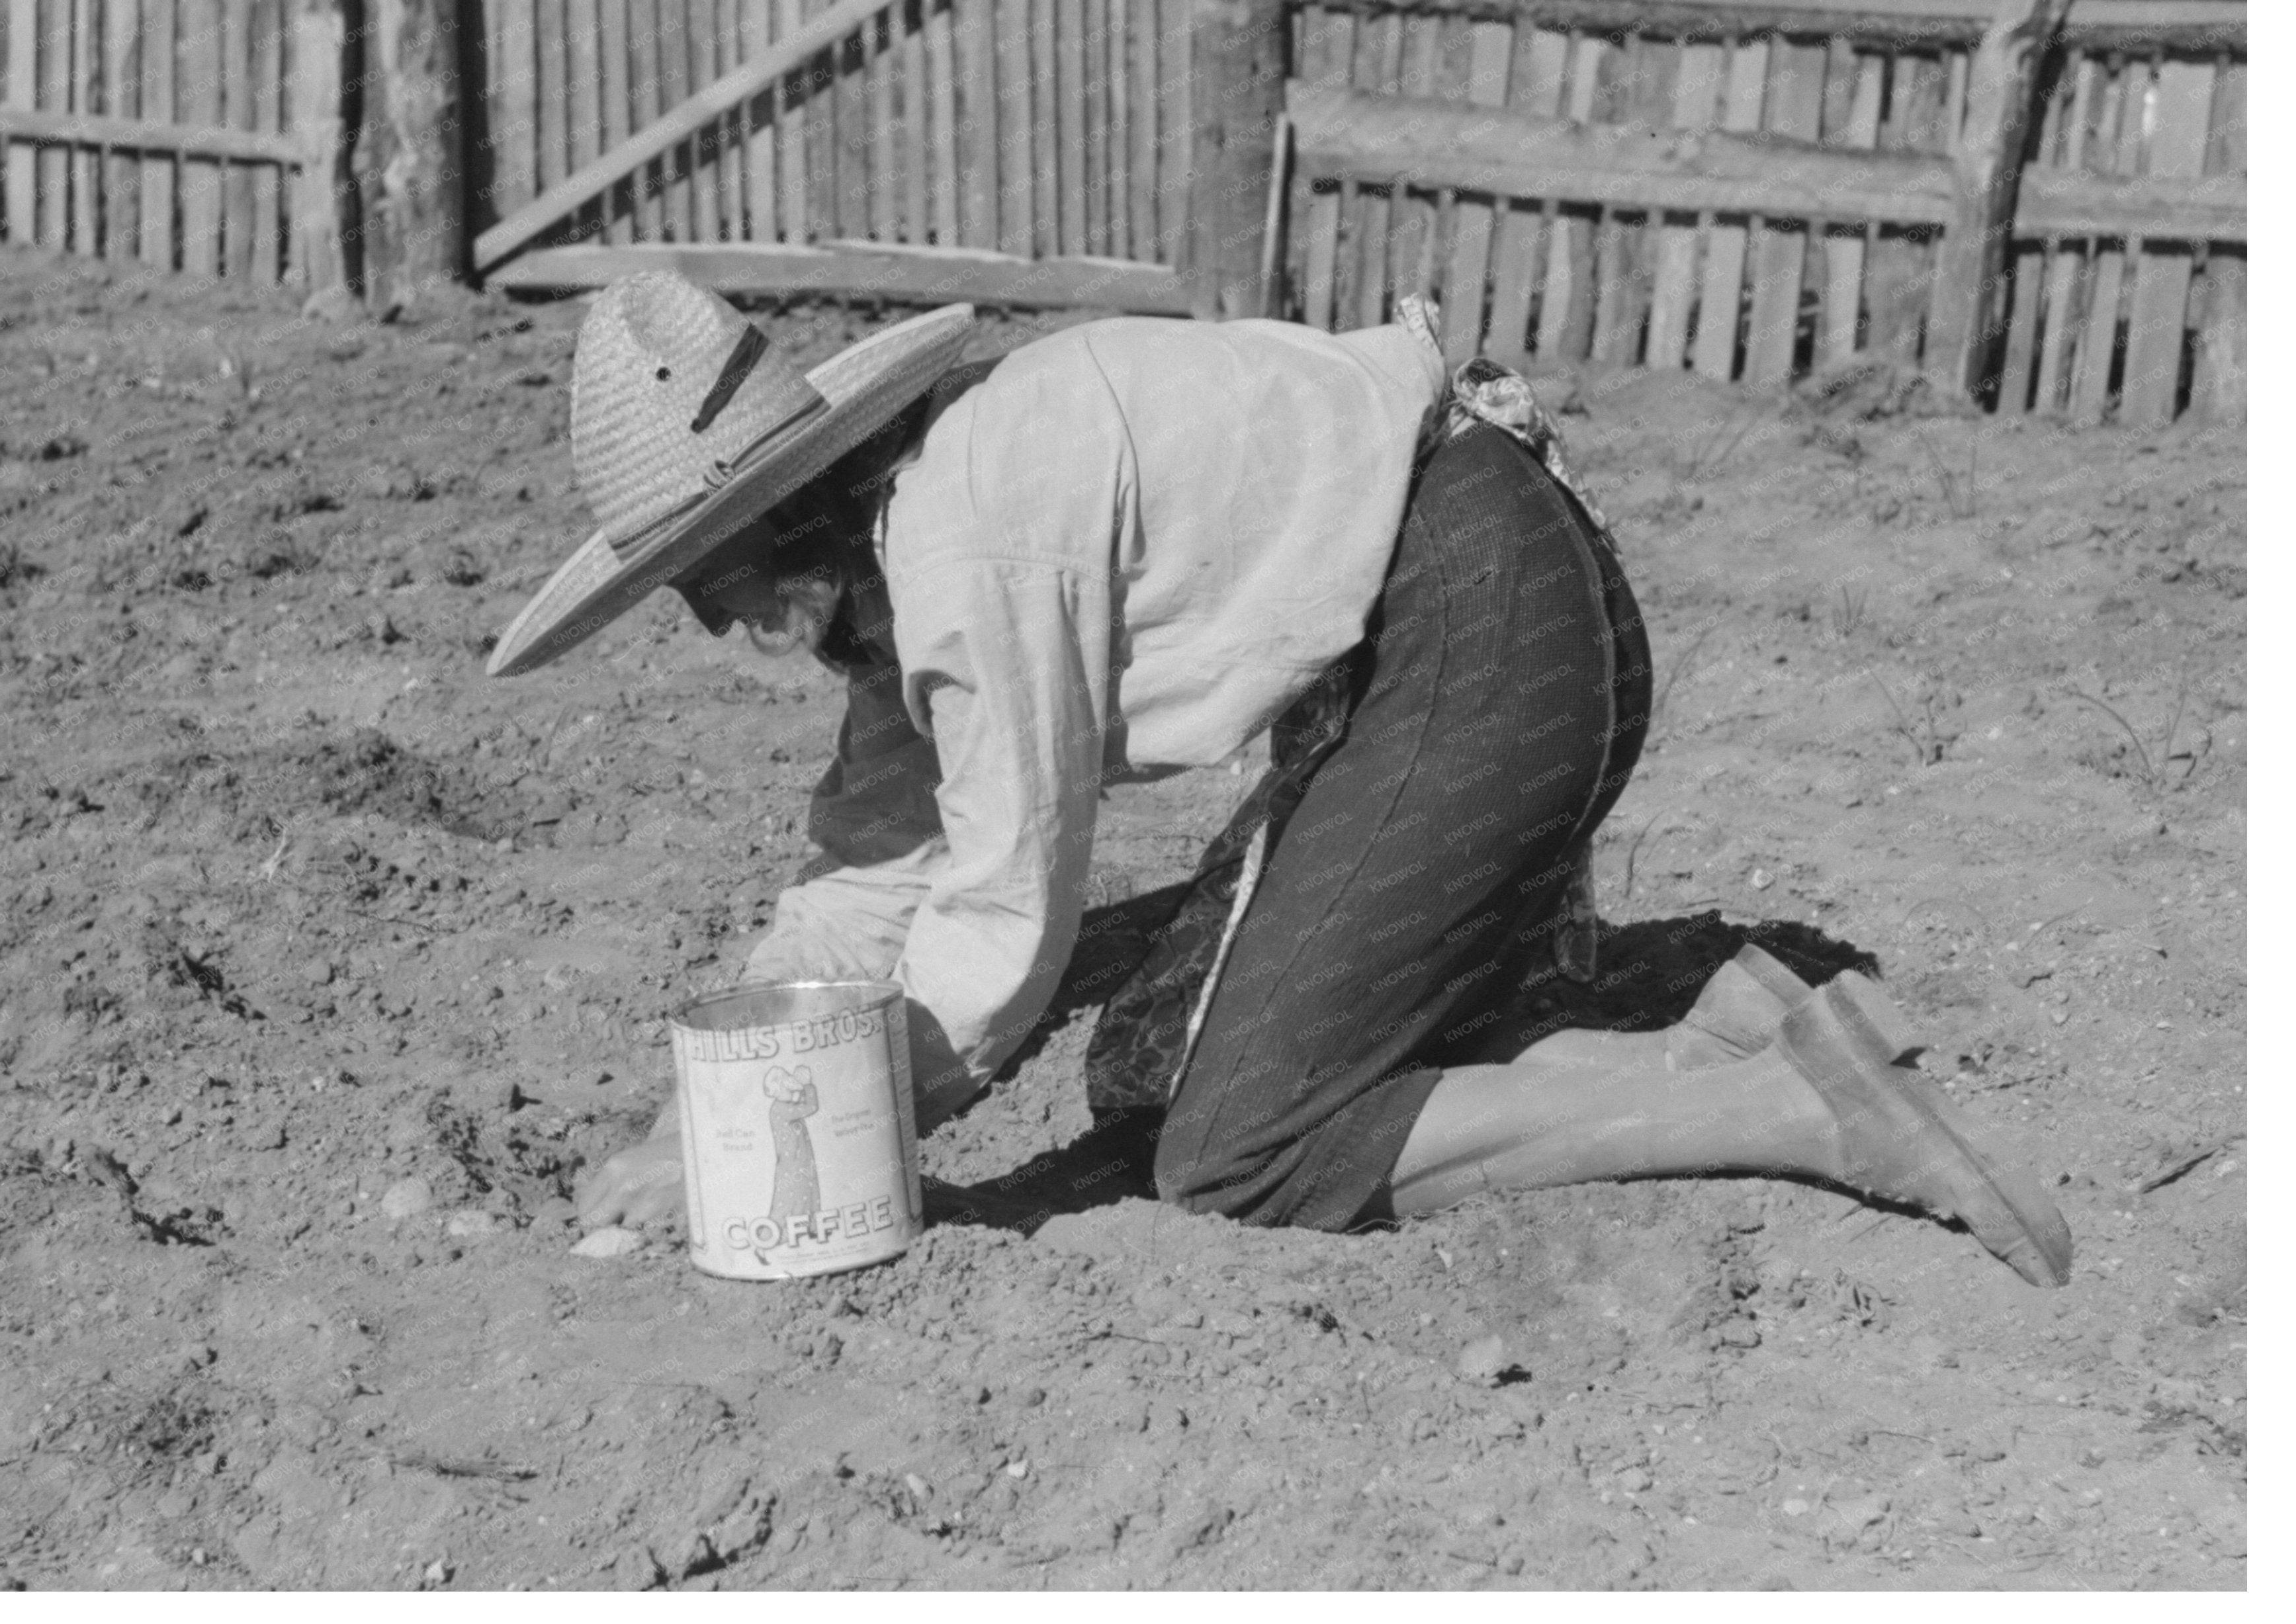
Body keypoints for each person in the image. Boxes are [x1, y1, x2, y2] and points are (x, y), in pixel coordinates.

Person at [490, 272, 2070, 1289]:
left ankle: (1793, 1107)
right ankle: (1711, 998)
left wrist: (822, 1118)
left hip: (1486, 642)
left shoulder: (965, 539)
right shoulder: (917, 526)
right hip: (1490, 627)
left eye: (702, 582)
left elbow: (998, 909)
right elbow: (869, 859)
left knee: (1243, 1142)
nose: (715, 627)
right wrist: (706, 1107)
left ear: (779, 526)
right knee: (1162, 1060)